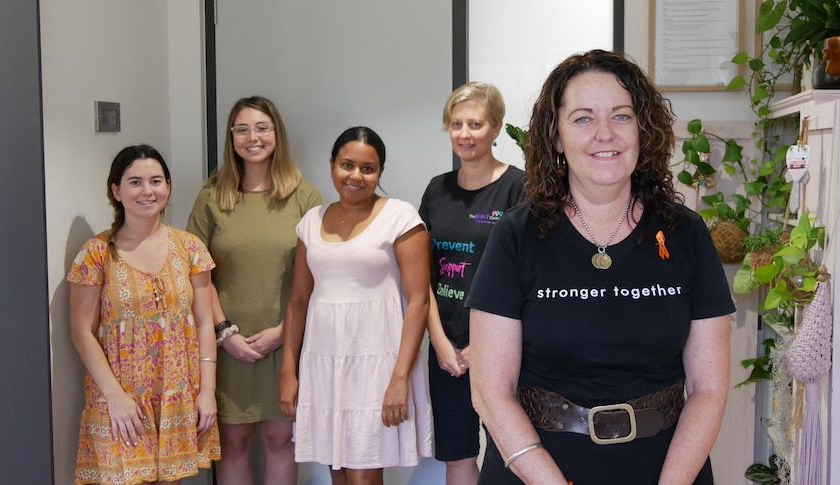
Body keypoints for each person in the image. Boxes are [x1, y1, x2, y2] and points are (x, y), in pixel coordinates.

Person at [466, 50, 735, 484]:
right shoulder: (517, 235)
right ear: (556, 136)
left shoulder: (685, 234)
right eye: (583, 119)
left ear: (643, 130)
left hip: (666, 469)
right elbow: (490, 393)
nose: (605, 134)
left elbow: (709, 390)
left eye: (622, 116)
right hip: (537, 469)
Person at [280, 126, 434, 485]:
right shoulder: (310, 223)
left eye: (369, 168)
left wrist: (399, 381)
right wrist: (289, 372)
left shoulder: (401, 217)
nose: (356, 176)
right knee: (338, 471)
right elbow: (298, 301)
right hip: (323, 361)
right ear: (332, 164)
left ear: (380, 173)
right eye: (347, 165)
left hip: (377, 363)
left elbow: (419, 302)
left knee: (364, 473)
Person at [186, 96, 322, 485]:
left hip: (287, 340)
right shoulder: (211, 197)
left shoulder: (305, 197)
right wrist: (224, 332)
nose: (253, 137)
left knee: (281, 438)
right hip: (224, 343)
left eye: (262, 127)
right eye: (242, 129)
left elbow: (318, 274)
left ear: (277, 133)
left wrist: (284, 332)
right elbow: (197, 274)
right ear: (231, 138)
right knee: (233, 440)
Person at [69, 144, 220, 485]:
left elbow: (204, 321)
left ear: (167, 186)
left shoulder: (190, 247)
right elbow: (81, 331)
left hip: (176, 395)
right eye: (135, 182)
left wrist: (206, 390)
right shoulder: (96, 253)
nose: (147, 191)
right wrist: (115, 397)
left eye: (156, 181)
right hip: (120, 401)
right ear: (116, 191)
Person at [419, 81, 525, 485]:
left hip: (502, 349)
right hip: (447, 351)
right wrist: (441, 344)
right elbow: (420, 277)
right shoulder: (436, 190)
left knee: (509, 454)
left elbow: (526, 278)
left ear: (496, 128)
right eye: (457, 124)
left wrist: (483, 348)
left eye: (475, 124)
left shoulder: (519, 188)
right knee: (458, 456)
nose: (464, 134)